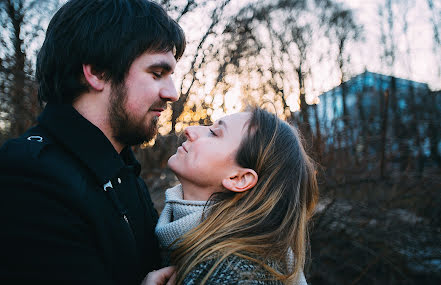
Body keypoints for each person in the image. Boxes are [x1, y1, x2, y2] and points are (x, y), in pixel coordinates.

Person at [0, 0, 185, 284]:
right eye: (157, 73)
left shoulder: (123, 171)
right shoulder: (28, 177)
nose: (172, 93)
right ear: (97, 72)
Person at [154, 108, 318, 284]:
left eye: (214, 133)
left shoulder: (233, 274)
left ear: (238, 179)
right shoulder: (183, 241)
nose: (190, 130)